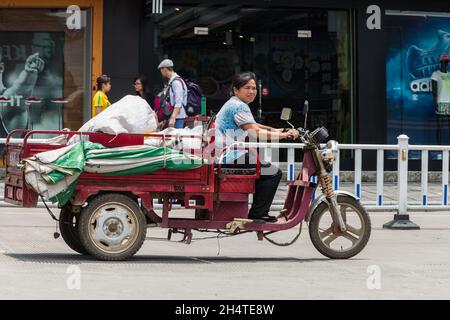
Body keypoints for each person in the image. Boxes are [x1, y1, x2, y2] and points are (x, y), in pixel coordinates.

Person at [215, 72, 299, 222]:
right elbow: (255, 132)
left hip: (226, 154)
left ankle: (257, 211)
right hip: (229, 156)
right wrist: (284, 136)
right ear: (236, 90)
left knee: (263, 169)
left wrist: (276, 130)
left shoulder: (234, 104)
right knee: (273, 173)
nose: (252, 91)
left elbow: (255, 125)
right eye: (247, 88)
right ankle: (258, 214)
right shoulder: (239, 106)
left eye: (254, 88)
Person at [157, 59, 187, 128]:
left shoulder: (176, 82)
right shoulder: (172, 81)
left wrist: (173, 118)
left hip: (178, 117)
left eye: (161, 70)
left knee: (175, 137)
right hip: (175, 116)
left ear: (164, 69)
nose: (161, 72)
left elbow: (178, 102)